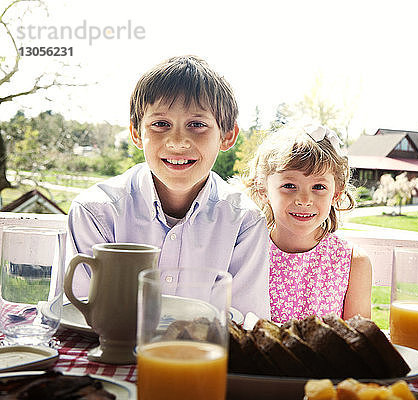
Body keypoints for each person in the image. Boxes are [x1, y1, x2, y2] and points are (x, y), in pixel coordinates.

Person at [67, 55, 270, 318]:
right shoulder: (96, 213)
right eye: (160, 124)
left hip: (201, 358)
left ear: (227, 135)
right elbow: (76, 313)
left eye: (197, 125)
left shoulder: (245, 222)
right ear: (137, 133)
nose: (177, 142)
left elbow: (245, 322)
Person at [242, 125, 372, 323]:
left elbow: (358, 343)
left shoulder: (354, 262)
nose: (304, 199)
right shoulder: (245, 251)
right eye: (289, 186)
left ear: (336, 193)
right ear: (263, 190)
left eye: (319, 187)